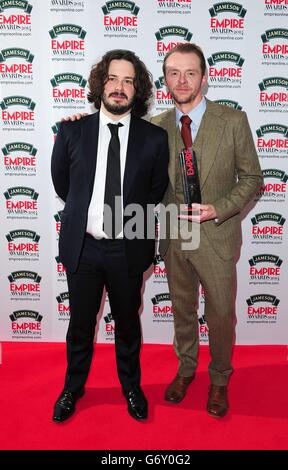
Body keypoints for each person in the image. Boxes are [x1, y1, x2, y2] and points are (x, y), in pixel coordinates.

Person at [51, 49, 169, 423]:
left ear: (139, 89)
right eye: (113, 78)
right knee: (80, 326)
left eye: (128, 80)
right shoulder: (71, 130)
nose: (119, 87)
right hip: (83, 249)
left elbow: (154, 192)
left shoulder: (154, 139)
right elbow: (63, 184)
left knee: (128, 326)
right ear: (101, 83)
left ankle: (131, 388)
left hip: (127, 249)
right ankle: (73, 387)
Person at [151, 43, 263, 417]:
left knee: (219, 314)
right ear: (164, 79)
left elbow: (252, 179)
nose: (182, 80)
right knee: (182, 310)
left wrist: (221, 208)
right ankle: (185, 369)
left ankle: (219, 378)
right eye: (174, 73)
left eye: (190, 72)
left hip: (216, 234)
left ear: (205, 77)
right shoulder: (156, 126)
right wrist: (77, 124)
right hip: (175, 236)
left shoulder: (232, 121)